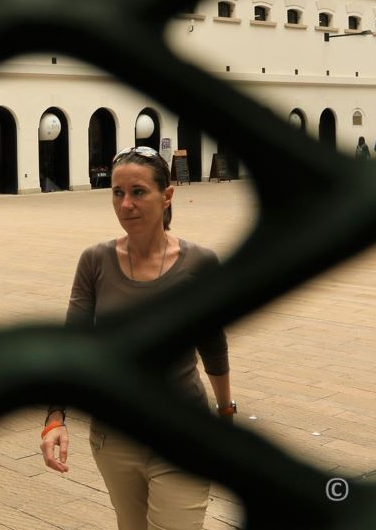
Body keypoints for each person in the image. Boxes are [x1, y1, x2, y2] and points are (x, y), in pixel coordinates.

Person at [40, 146, 234, 530]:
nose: (126, 204)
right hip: (116, 438)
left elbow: (212, 344)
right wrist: (55, 416)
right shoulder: (95, 261)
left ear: (167, 196)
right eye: (117, 192)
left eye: (138, 192)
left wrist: (226, 413)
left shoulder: (199, 263)